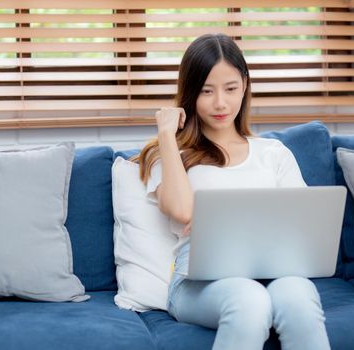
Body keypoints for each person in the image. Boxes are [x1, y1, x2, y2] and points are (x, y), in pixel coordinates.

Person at [130, 33, 330, 350]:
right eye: (206, 91)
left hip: (274, 273)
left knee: (300, 299)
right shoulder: (171, 155)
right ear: (190, 94)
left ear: (245, 85)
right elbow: (182, 210)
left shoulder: (274, 153)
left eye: (230, 88)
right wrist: (167, 135)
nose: (220, 102)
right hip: (197, 283)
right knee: (249, 301)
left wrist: (222, 222)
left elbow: (304, 231)